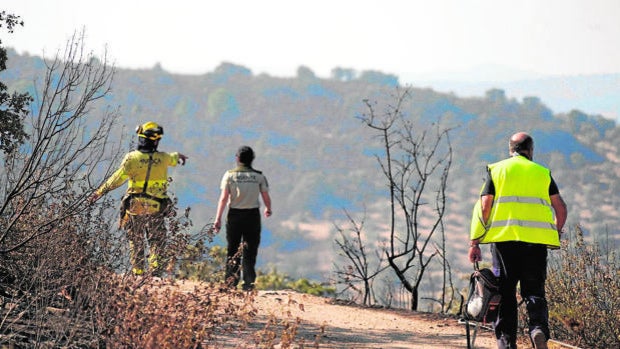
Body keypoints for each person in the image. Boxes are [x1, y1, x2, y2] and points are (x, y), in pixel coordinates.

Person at [468, 132, 567, 349]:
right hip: (536, 244)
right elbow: (560, 207)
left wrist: (475, 242)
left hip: (504, 243)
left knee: (505, 293)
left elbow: (484, 206)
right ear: (530, 151)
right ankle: (538, 329)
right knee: (534, 292)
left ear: (510, 149)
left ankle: (506, 343)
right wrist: (556, 231)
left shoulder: (497, 170)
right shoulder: (542, 173)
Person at [90, 121, 187, 276]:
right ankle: (155, 273)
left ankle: (138, 273)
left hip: (135, 206)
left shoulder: (132, 158)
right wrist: (179, 156)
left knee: (136, 240)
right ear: (155, 141)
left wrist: (99, 192)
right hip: (156, 206)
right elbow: (173, 158)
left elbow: (117, 178)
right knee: (157, 240)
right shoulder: (162, 158)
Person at [213, 146, 272, 291]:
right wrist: (268, 208)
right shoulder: (259, 176)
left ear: (237, 158)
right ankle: (248, 284)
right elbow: (265, 196)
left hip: (234, 215)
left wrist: (218, 218)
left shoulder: (229, 175)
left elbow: (223, 199)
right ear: (252, 159)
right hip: (252, 215)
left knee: (232, 250)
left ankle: (230, 283)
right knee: (250, 250)